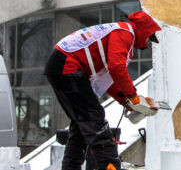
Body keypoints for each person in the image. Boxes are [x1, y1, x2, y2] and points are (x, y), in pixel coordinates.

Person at [43, 11, 161, 170]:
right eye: (148, 37)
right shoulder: (125, 33)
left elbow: (109, 79)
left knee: (81, 124)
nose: (147, 42)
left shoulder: (119, 31)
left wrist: (124, 100)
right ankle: (110, 165)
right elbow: (116, 68)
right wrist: (133, 97)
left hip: (62, 65)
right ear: (143, 30)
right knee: (95, 118)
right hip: (68, 66)